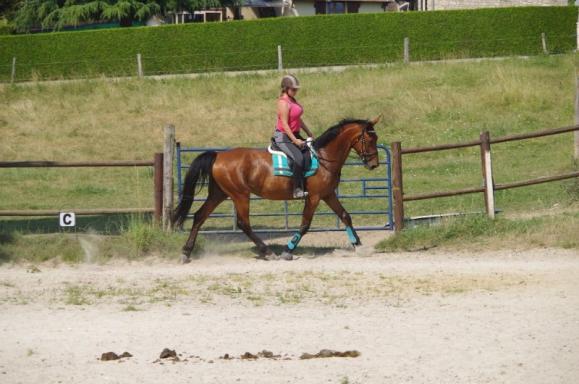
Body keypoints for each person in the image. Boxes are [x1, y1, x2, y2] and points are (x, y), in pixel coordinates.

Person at [273, 74, 315, 198]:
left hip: (295, 134)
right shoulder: (283, 103)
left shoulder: (293, 101)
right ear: (286, 88)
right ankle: (297, 189)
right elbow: (285, 124)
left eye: (296, 89)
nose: (295, 91)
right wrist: (295, 141)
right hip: (283, 137)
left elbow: (298, 119)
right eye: (293, 89)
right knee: (298, 158)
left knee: (311, 153)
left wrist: (309, 133)